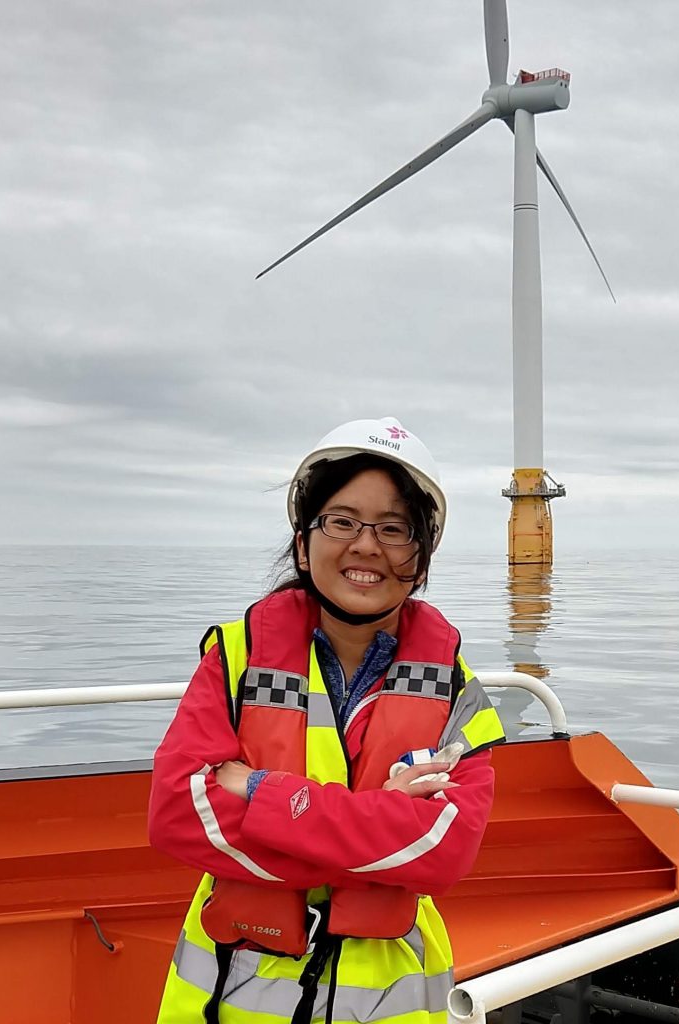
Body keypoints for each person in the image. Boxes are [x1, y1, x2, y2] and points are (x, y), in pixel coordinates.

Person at [149, 416, 504, 1024]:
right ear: (302, 540)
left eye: (395, 529)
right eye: (342, 522)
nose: (367, 546)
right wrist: (378, 828)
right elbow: (178, 816)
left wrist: (257, 791)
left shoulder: (452, 686)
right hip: (224, 1000)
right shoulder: (236, 661)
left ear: (421, 559)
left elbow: (445, 849)